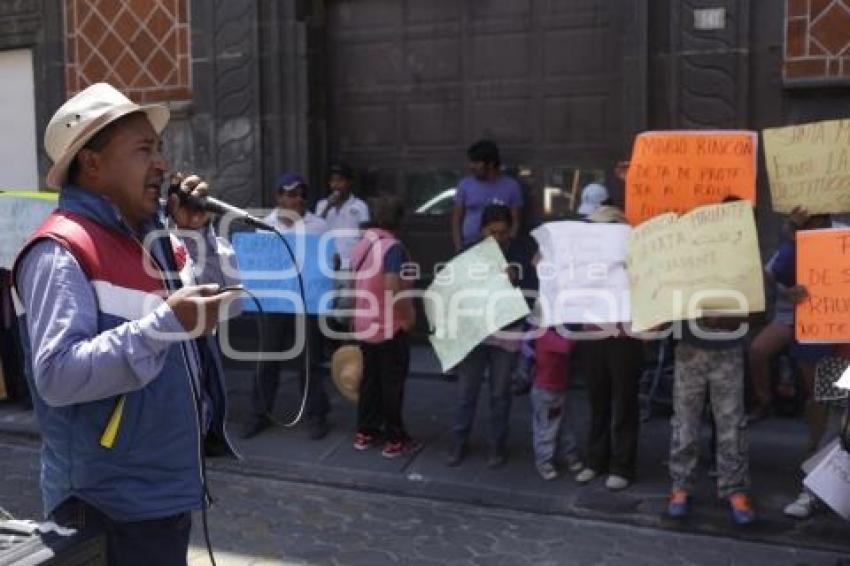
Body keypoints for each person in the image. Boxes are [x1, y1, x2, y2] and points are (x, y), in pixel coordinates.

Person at [12, 83, 240, 564]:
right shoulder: (62, 250)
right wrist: (163, 325)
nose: (162, 163)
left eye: (159, 148)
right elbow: (56, 375)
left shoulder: (158, 236)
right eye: (143, 149)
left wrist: (195, 233)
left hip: (163, 490)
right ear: (92, 163)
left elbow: (217, 313)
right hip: (108, 507)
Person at [242, 173, 331, 440]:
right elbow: (258, 265)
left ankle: (316, 415)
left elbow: (329, 262)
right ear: (279, 196)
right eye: (291, 194)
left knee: (310, 361)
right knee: (267, 359)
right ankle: (261, 414)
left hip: (308, 300)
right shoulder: (263, 226)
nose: (297, 199)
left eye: (302, 194)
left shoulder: (319, 225)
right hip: (274, 301)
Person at [447, 204, 522, 469]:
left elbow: (531, 290)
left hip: (506, 331)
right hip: (475, 331)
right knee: (466, 392)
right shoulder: (469, 251)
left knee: (500, 394)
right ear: (482, 230)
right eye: (493, 232)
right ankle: (458, 443)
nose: (499, 238)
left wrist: (513, 278)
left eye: (503, 233)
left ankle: (497, 446)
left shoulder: (518, 251)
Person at [574, 204, 644, 491]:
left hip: (625, 337)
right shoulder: (584, 257)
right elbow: (544, 263)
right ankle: (595, 460)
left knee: (624, 401)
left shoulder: (635, 257)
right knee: (597, 399)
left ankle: (622, 465)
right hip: (593, 334)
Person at [666, 315, 755, 525]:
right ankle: (680, 486)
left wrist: (732, 320)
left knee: (731, 424)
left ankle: (735, 488)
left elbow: (760, 305)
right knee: (685, 422)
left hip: (729, 347)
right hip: (689, 346)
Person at [349, 195, 420, 458]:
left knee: (370, 380)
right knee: (392, 383)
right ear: (400, 221)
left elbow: (353, 283)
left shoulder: (362, 245)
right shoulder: (393, 248)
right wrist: (408, 316)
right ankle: (395, 438)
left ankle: (365, 432)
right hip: (389, 326)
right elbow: (392, 285)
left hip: (365, 323)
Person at [530, 327, 584, 481]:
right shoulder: (545, 334)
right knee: (547, 428)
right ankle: (544, 461)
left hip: (558, 387)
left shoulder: (552, 332)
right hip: (547, 390)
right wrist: (578, 333)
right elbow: (565, 347)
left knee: (565, 424)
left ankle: (569, 455)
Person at [452, 140, 523, 252]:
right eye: (471, 162)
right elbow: (457, 219)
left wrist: (509, 246)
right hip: (470, 246)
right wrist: (458, 247)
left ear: (490, 163)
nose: (471, 166)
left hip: (500, 248)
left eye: (476, 162)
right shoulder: (465, 185)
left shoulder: (511, 186)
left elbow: (516, 220)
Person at [316, 162, 370, 270]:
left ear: (349, 182)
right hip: (327, 264)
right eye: (332, 181)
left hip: (351, 264)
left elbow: (365, 237)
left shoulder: (360, 206)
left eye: (340, 180)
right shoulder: (322, 205)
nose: (336, 185)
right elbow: (314, 229)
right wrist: (328, 207)